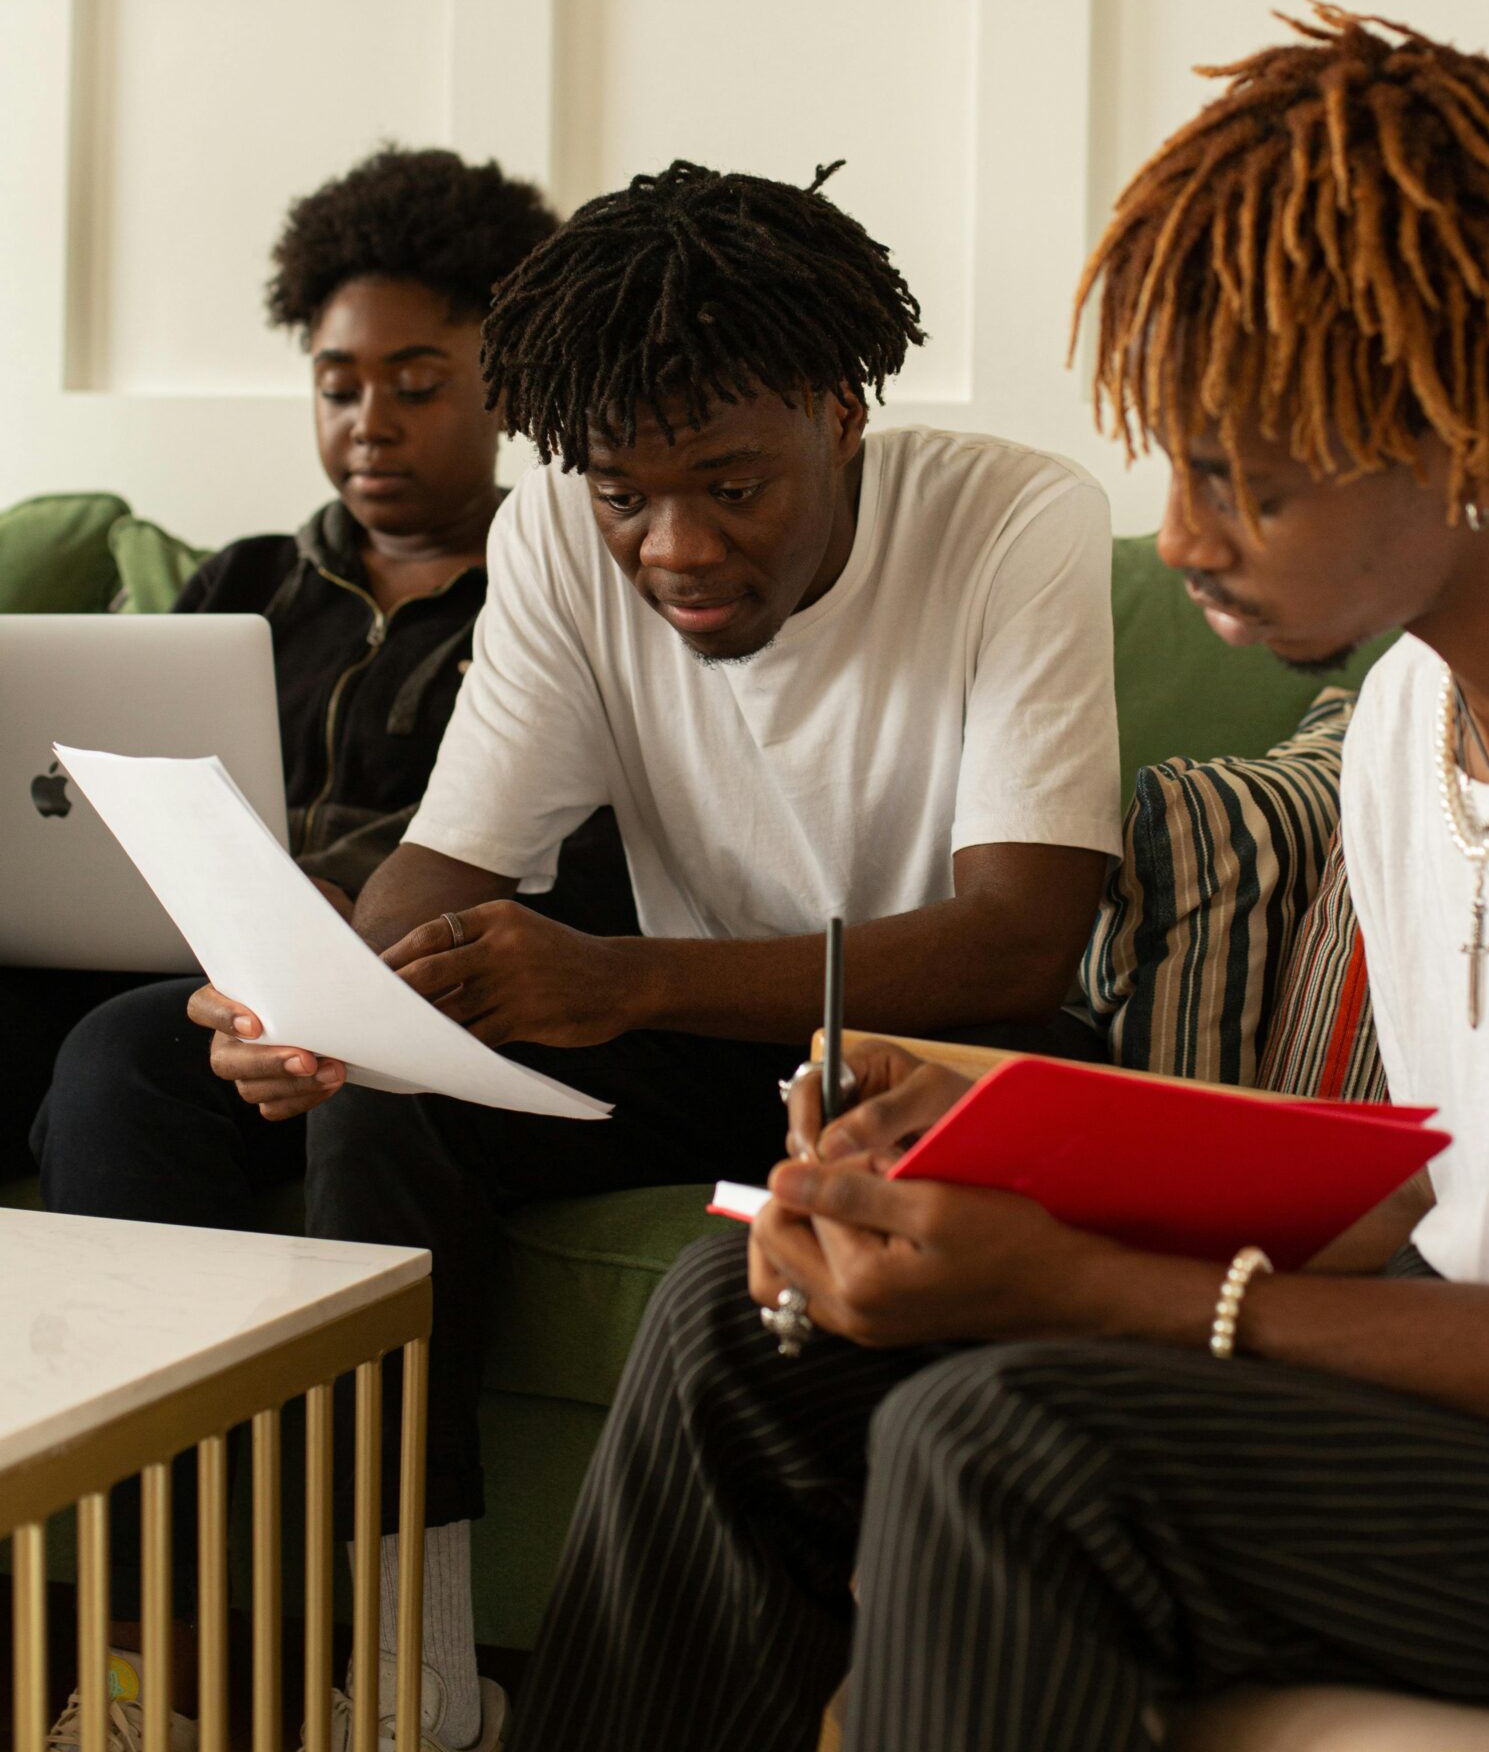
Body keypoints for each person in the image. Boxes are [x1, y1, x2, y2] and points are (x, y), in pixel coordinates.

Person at [511, 9, 1489, 1752]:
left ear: (1479, 436)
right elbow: (1441, 1215)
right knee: (752, 1307)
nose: (1182, 537)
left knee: (1006, 1441)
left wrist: (1099, 1294)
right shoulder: (1401, 721)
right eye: (1178, 461)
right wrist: (987, 1136)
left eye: (1245, 480)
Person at [194, 155, 1126, 1752]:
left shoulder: (1010, 514)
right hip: (722, 1050)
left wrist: (624, 981)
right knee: (378, 1088)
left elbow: (1018, 944)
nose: (674, 547)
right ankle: (409, 1681)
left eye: (731, 486)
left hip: (969, 1063)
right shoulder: (563, 523)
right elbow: (454, 855)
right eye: (629, 494)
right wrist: (317, 994)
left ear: (839, 411)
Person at [32, 144, 630, 1752]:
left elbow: (553, 866)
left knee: (127, 1064)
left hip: (393, 983)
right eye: (340, 381)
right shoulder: (242, 590)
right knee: (79, 1031)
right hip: (187, 969)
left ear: (504, 385)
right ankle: (128, 1622)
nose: (371, 420)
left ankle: (293, 1640)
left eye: (419, 383)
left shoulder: (566, 591)